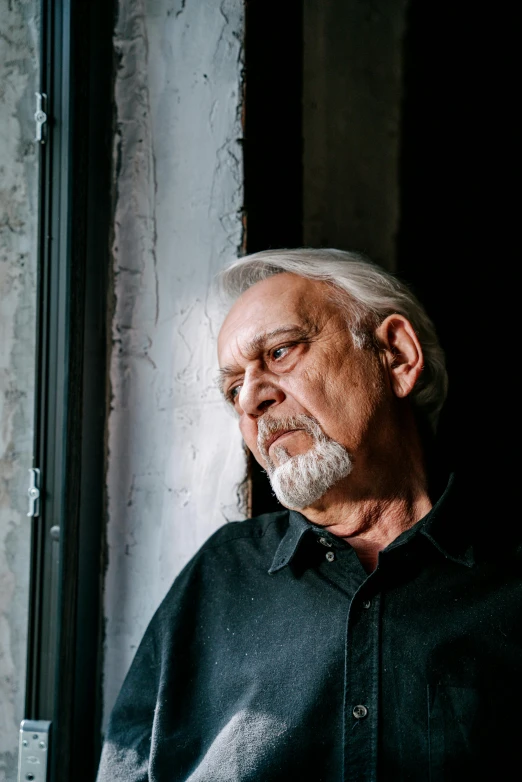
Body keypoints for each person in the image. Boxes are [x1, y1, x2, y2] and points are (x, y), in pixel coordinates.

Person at [97, 249, 522, 782]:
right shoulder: (219, 576)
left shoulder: (509, 574)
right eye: (233, 389)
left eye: (279, 352)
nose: (250, 400)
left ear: (395, 355)